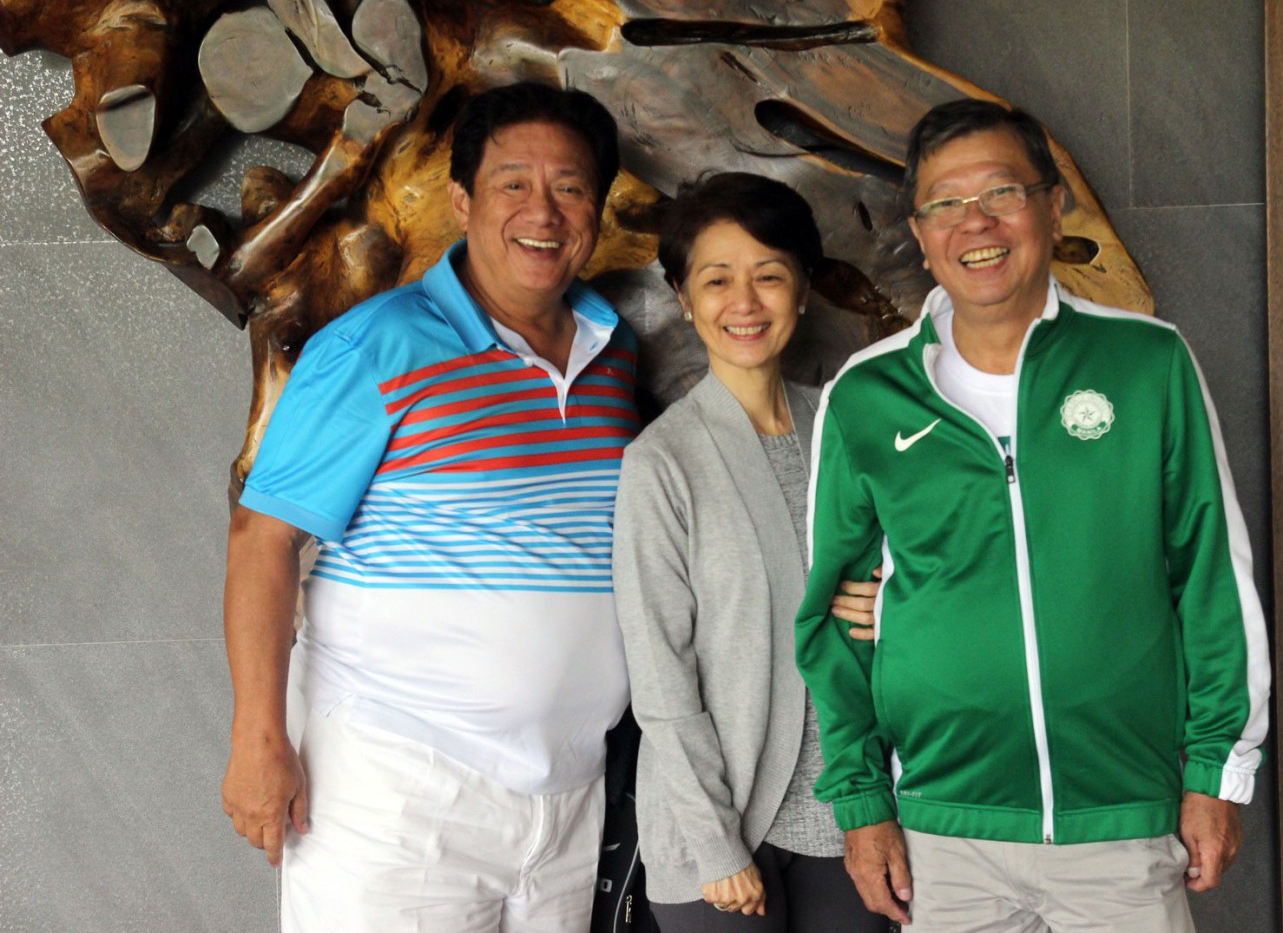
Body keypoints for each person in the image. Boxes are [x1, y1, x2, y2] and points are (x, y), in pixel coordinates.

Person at [795, 100, 1271, 932]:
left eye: (1001, 193)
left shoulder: (1146, 362)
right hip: (943, 829)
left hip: (1122, 816)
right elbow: (833, 622)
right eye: (946, 202)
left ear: (1053, 208)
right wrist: (862, 803)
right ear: (921, 232)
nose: (975, 222)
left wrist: (1216, 773)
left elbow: (1210, 575)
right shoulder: (867, 396)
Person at [219, 81, 639, 932]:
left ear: (596, 210)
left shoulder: (613, 350)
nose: (543, 211)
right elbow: (262, 538)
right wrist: (258, 739)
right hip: (395, 787)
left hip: (568, 796)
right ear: (462, 202)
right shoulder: (377, 344)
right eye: (513, 184)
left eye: (570, 187)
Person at [612, 172, 888, 933]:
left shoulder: (845, 429)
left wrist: (891, 601)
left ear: (802, 289)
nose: (745, 301)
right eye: (717, 279)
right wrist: (714, 842)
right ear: (683, 297)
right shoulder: (661, 462)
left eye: (769, 275)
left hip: (849, 818)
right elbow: (660, 673)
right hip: (723, 829)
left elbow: (916, 579)